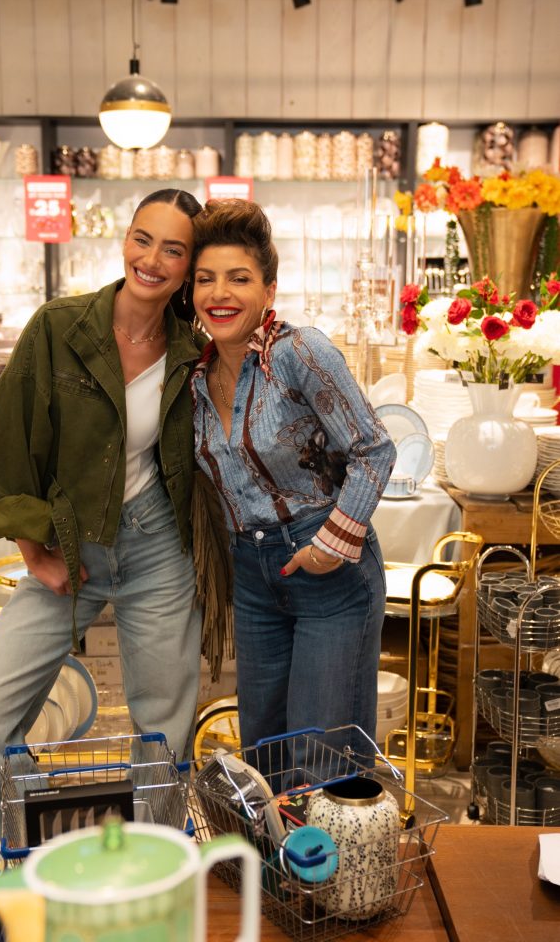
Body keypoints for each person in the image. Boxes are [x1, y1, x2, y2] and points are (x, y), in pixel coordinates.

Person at [0, 189, 204, 839]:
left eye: (173, 249)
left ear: (188, 266)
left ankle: (155, 863)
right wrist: (35, 553)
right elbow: (6, 442)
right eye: (142, 239)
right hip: (69, 543)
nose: (151, 259)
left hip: (158, 547)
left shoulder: (192, 348)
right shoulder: (59, 327)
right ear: (125, 238)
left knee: (163, 733)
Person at [189, 199, 396, 763]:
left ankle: (328, 828)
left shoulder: (300, 352)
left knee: (320, 759)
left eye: (239, 278)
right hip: (253, 577)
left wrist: (330, 544)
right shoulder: (195, 377)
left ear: (269, 290)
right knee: (264, 754)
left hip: (329, 571)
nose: (220, 293)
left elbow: (374, 449)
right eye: (205, 279)